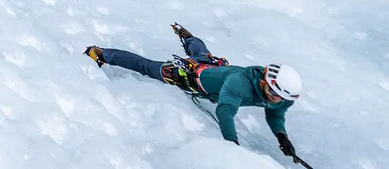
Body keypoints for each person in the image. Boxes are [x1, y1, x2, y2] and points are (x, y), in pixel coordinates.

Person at [87, 24, 305, 159]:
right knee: (147, 67)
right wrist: (232, 145)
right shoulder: (240, 84)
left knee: (202, 54)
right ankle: (101, 53)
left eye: (282, 99)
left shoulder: (283, 96)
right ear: (268, 83)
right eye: (277, 96)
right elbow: (225, 111)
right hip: (190, 78)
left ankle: (188, 36)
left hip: (211, 70)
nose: (279, 101)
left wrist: (282, 136)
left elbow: (275, 112)